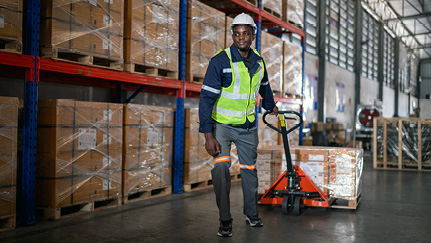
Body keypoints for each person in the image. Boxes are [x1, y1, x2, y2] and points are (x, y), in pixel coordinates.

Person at [198, 13, 279, 237]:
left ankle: (251, 214)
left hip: (248, 127)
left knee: (249, 171)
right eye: (236, 33)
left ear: (253, 35)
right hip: (222, 127)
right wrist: (208, 135)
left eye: (245, 33)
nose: (240, 37)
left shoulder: (259, 61)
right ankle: (225, 220)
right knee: (221, 169)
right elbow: (206, 99)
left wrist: (270, 106)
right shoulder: (220, 61)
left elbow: (264, 86)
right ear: (232, 35)